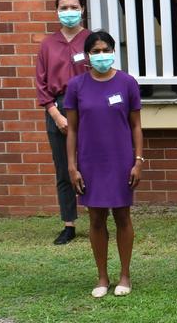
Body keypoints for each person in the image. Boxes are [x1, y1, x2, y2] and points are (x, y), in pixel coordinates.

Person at [65, 31, 144, 298]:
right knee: (96, 218)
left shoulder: (127, 83)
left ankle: (125, 275)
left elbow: (136, 126)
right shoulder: (76, 86)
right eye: (96, 51)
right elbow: (72, 130)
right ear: (87, 55)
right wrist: (72, 166)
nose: (101, 55)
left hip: (121, 160)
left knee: (122, 216)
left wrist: (138, 160)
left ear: (113, 51)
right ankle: (101, 277)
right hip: (90, 161)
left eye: (106, 49)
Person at [34, 0, 91, 245]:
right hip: (58, 107)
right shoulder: (48, 44)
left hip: (88, 106)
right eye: (64, 7)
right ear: (57, 11)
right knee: (64, 167)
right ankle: (69, 223)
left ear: (82, 9)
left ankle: (97, 215)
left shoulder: (91, 40)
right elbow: (41, 84)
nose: (69, 12)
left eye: (74, 7)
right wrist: (56, 115)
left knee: (92, 164)